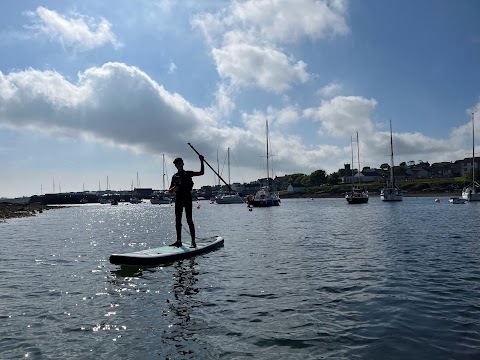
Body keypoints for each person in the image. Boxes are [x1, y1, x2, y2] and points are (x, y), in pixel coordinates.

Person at [168, 155, 204, 248]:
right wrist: (173, 189)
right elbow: (170, 190)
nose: (178, 165)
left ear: (183, 164)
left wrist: (201, 161)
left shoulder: (188, 173)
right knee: (178, 220)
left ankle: (193, 241)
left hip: (187, 198)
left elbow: (201, 173)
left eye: (180, 163)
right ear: (175, 166)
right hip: (179, 199)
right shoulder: (174, 177)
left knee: (189, 220)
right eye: (177, 164)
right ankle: (179, 241)